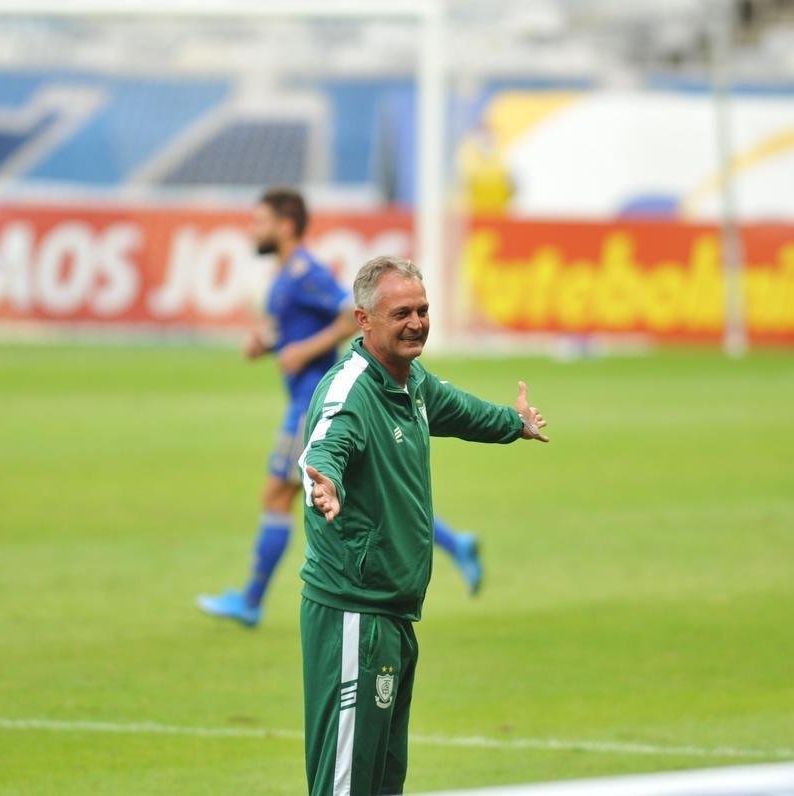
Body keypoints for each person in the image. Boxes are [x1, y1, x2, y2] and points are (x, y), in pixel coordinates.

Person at [299, 256, 548, 795]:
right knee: (345, 784)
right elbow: (325, 449)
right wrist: (326, 485)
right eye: (402, 313)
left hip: (392, 614)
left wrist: (514, 424)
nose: (417, 323)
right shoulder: (352, 392)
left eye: (423, 310)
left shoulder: (408, 381)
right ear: (364, 321)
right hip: (353, 615)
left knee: (383, 782)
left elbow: (456, 409)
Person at [197, 189, 485, 629]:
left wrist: (302, 350)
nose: (253, 230)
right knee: (370, 494)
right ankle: (455, 542)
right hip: (304, 396)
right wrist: (271, 343)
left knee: (277, 495)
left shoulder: (305, 271)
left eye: (261, 221)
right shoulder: (285, 273)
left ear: (286, 225)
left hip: (312, 403)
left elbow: (351, 316)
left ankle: (252, 600)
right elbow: (302, 326)